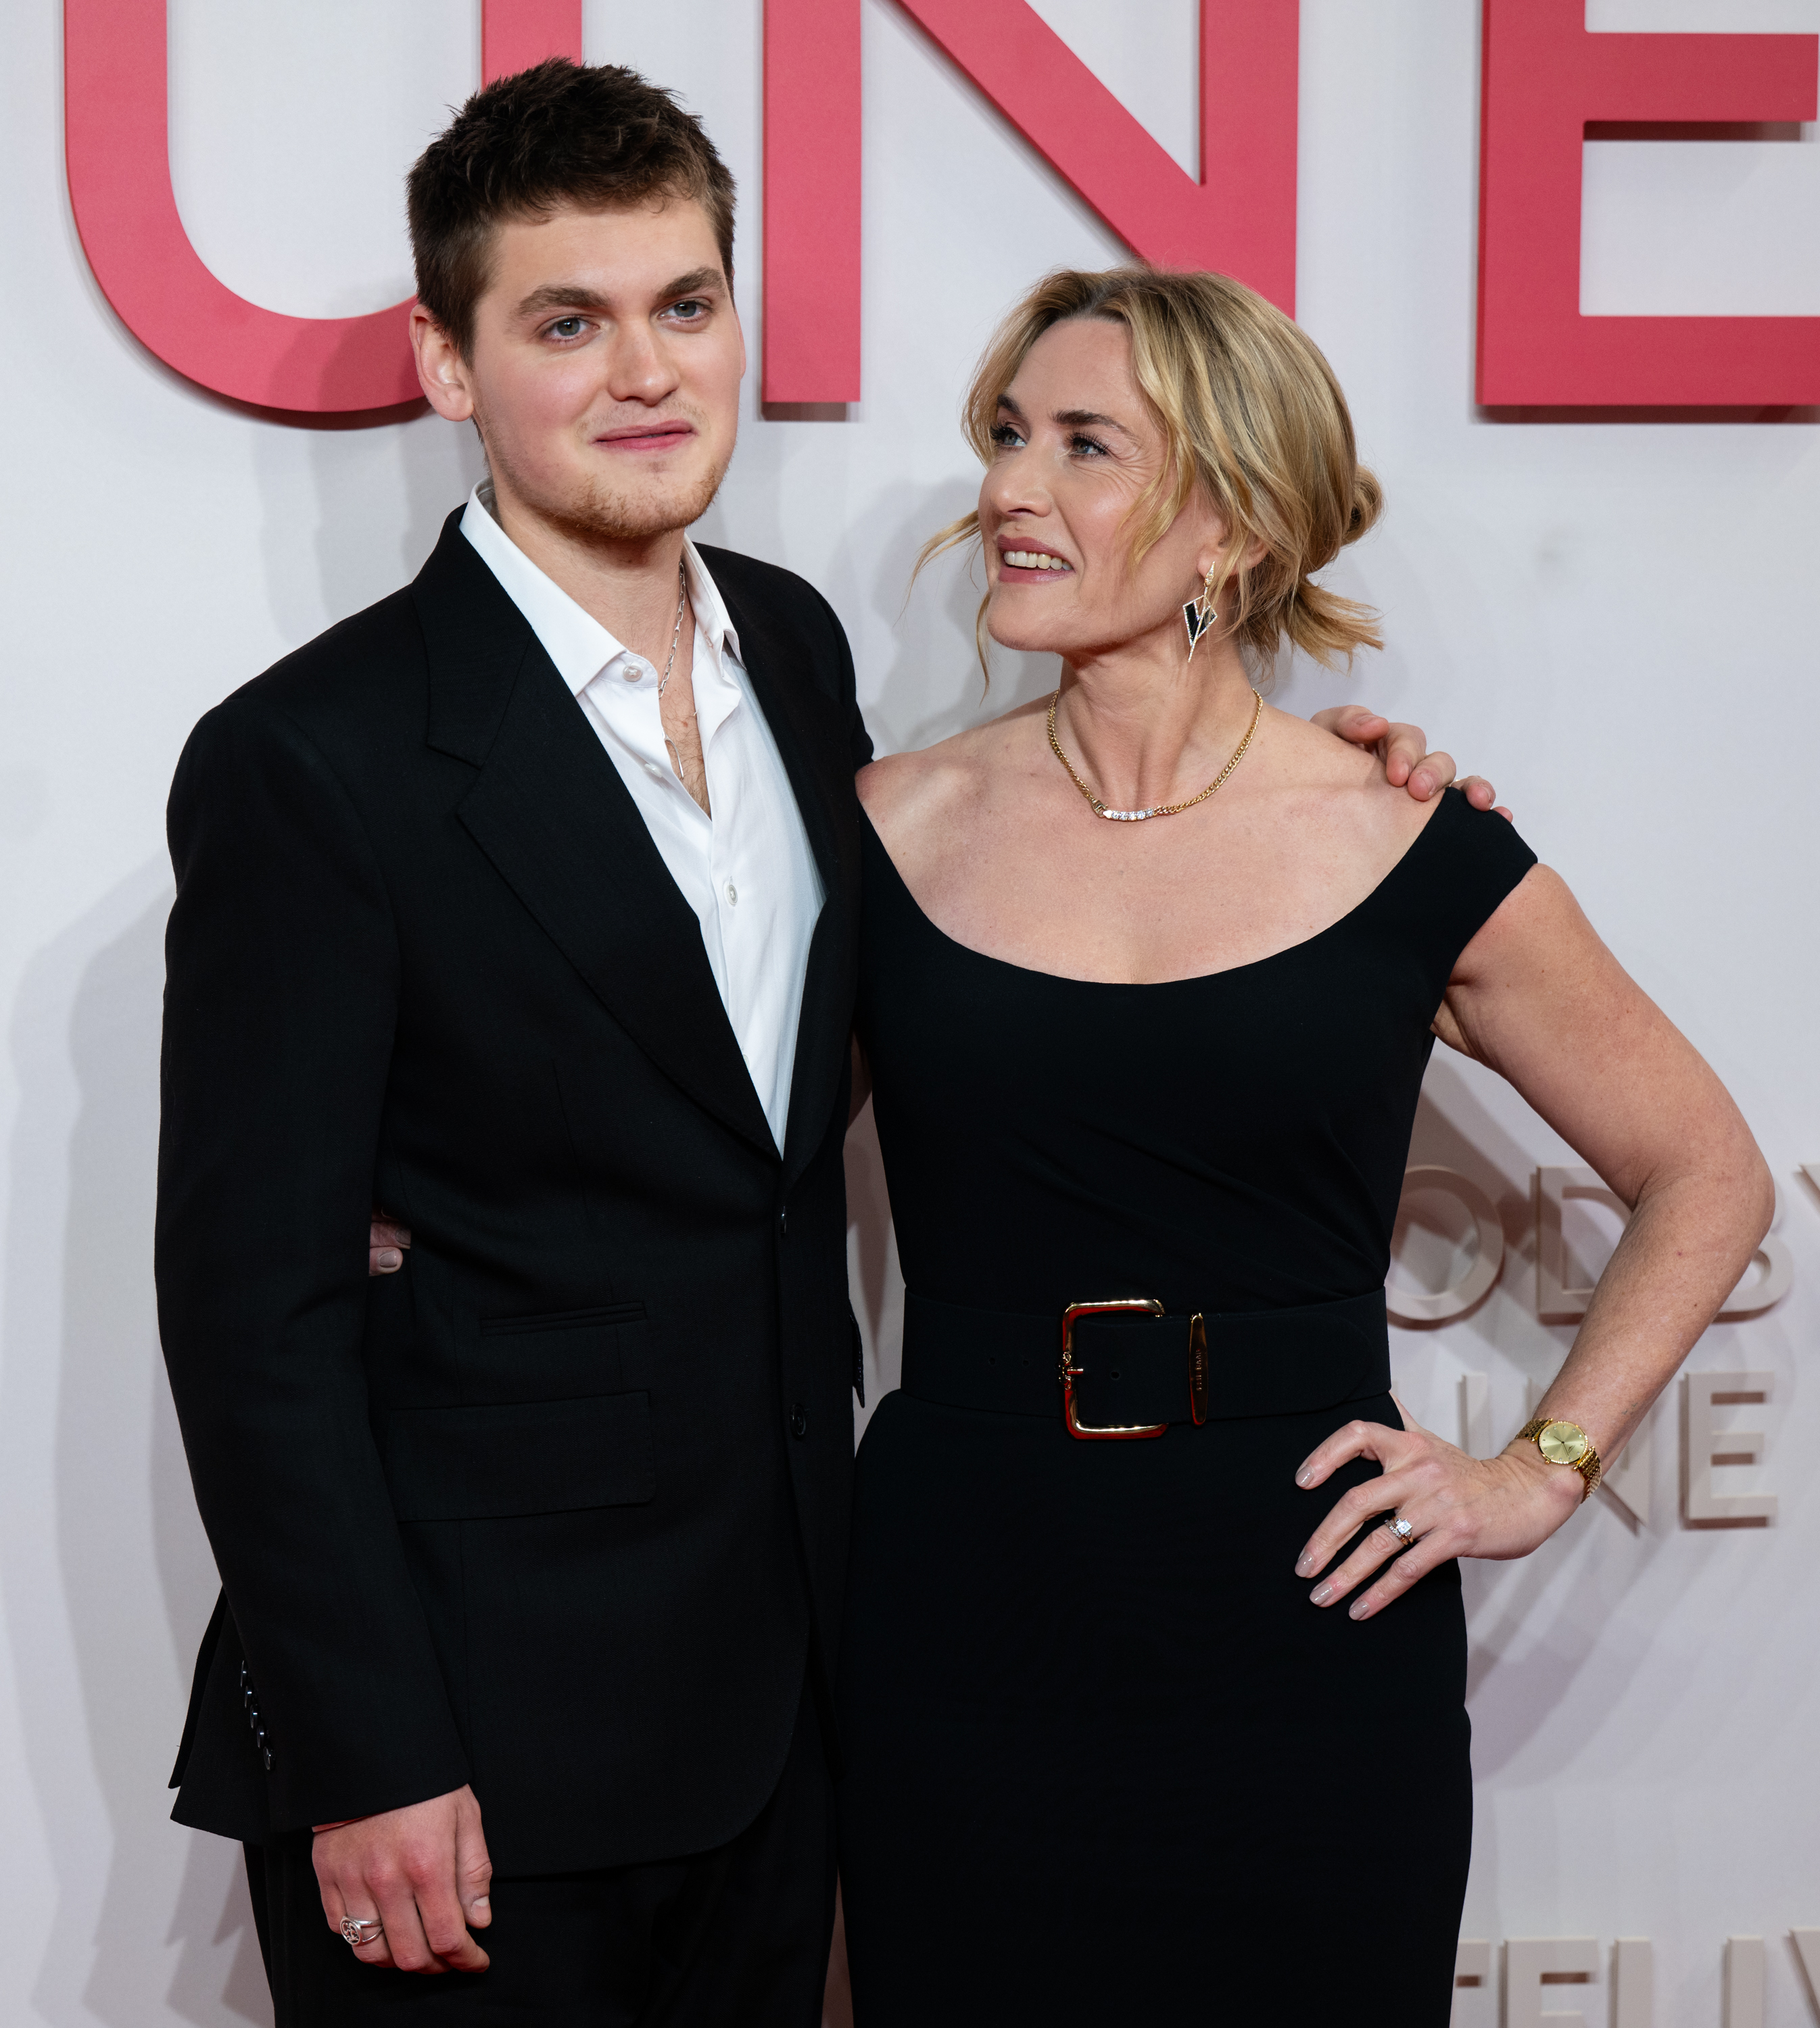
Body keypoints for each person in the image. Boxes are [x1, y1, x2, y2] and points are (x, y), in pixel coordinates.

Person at [159, 57, 1485, 2027]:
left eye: (684, 304)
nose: (643, 372)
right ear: (449, 368)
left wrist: (1317, 776)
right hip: (472, 1745)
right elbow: (248, 1308)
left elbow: (790, 1081)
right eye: (564, 321)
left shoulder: (794, 654)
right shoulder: (311, 759)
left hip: (798, 1710)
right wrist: (365, 1751)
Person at [836, 266, 1773, 2027]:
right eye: (1006, 436)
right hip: (963, 1609)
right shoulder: (887, 831)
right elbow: (717, 1165)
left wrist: (1539, 1465)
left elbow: (1702, 1171)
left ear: (1225, 526)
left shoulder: (1398, 836)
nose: (1009, 490)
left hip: (1299, 1619)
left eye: (1083, 446)